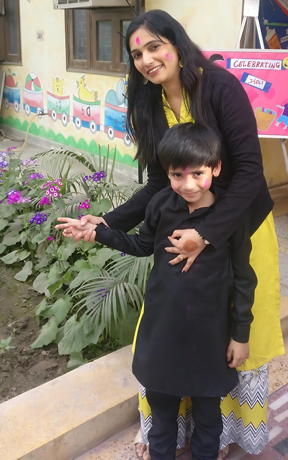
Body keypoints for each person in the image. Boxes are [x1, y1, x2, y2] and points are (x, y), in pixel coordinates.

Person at [56, 10, 284, 459]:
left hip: (239, 227)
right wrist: (107, 224)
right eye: (137, 53)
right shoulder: (149, 104)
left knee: (235, 328)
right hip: (183, 233)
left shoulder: (219, 88)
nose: (146, 59)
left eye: (154, 46)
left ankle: (218, 435)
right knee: (177, 323)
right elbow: (161, 184)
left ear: (177, 44)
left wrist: (210, 235)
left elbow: (249, 174)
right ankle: (168, 435)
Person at [61, 123, 257, 460]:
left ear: (216, 168)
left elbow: (243, 278)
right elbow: (141, 244)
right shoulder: (162, 206)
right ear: (166, 174)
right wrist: (100, 231)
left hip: (210, 340)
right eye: (177, 175)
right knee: (162, 424)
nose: (188, 184)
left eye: (198, 173)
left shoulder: (229, 218)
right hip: (162, 336)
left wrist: (240, 335)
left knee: (209, 422)